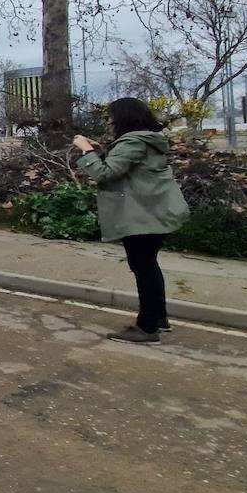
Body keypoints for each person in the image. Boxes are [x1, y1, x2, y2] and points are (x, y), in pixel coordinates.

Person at [74, 98, 189, 344]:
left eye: (111, 116)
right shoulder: (144, 139)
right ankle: (158, 318)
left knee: (143, 267)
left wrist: (87, 151)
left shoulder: (133, 141)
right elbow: (126, 168)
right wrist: (101, 151)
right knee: (148, 265)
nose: (109, 121)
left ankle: (146, 328)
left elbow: (104, 173)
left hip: (141, 214)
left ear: (123, 117)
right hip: (153, 211)